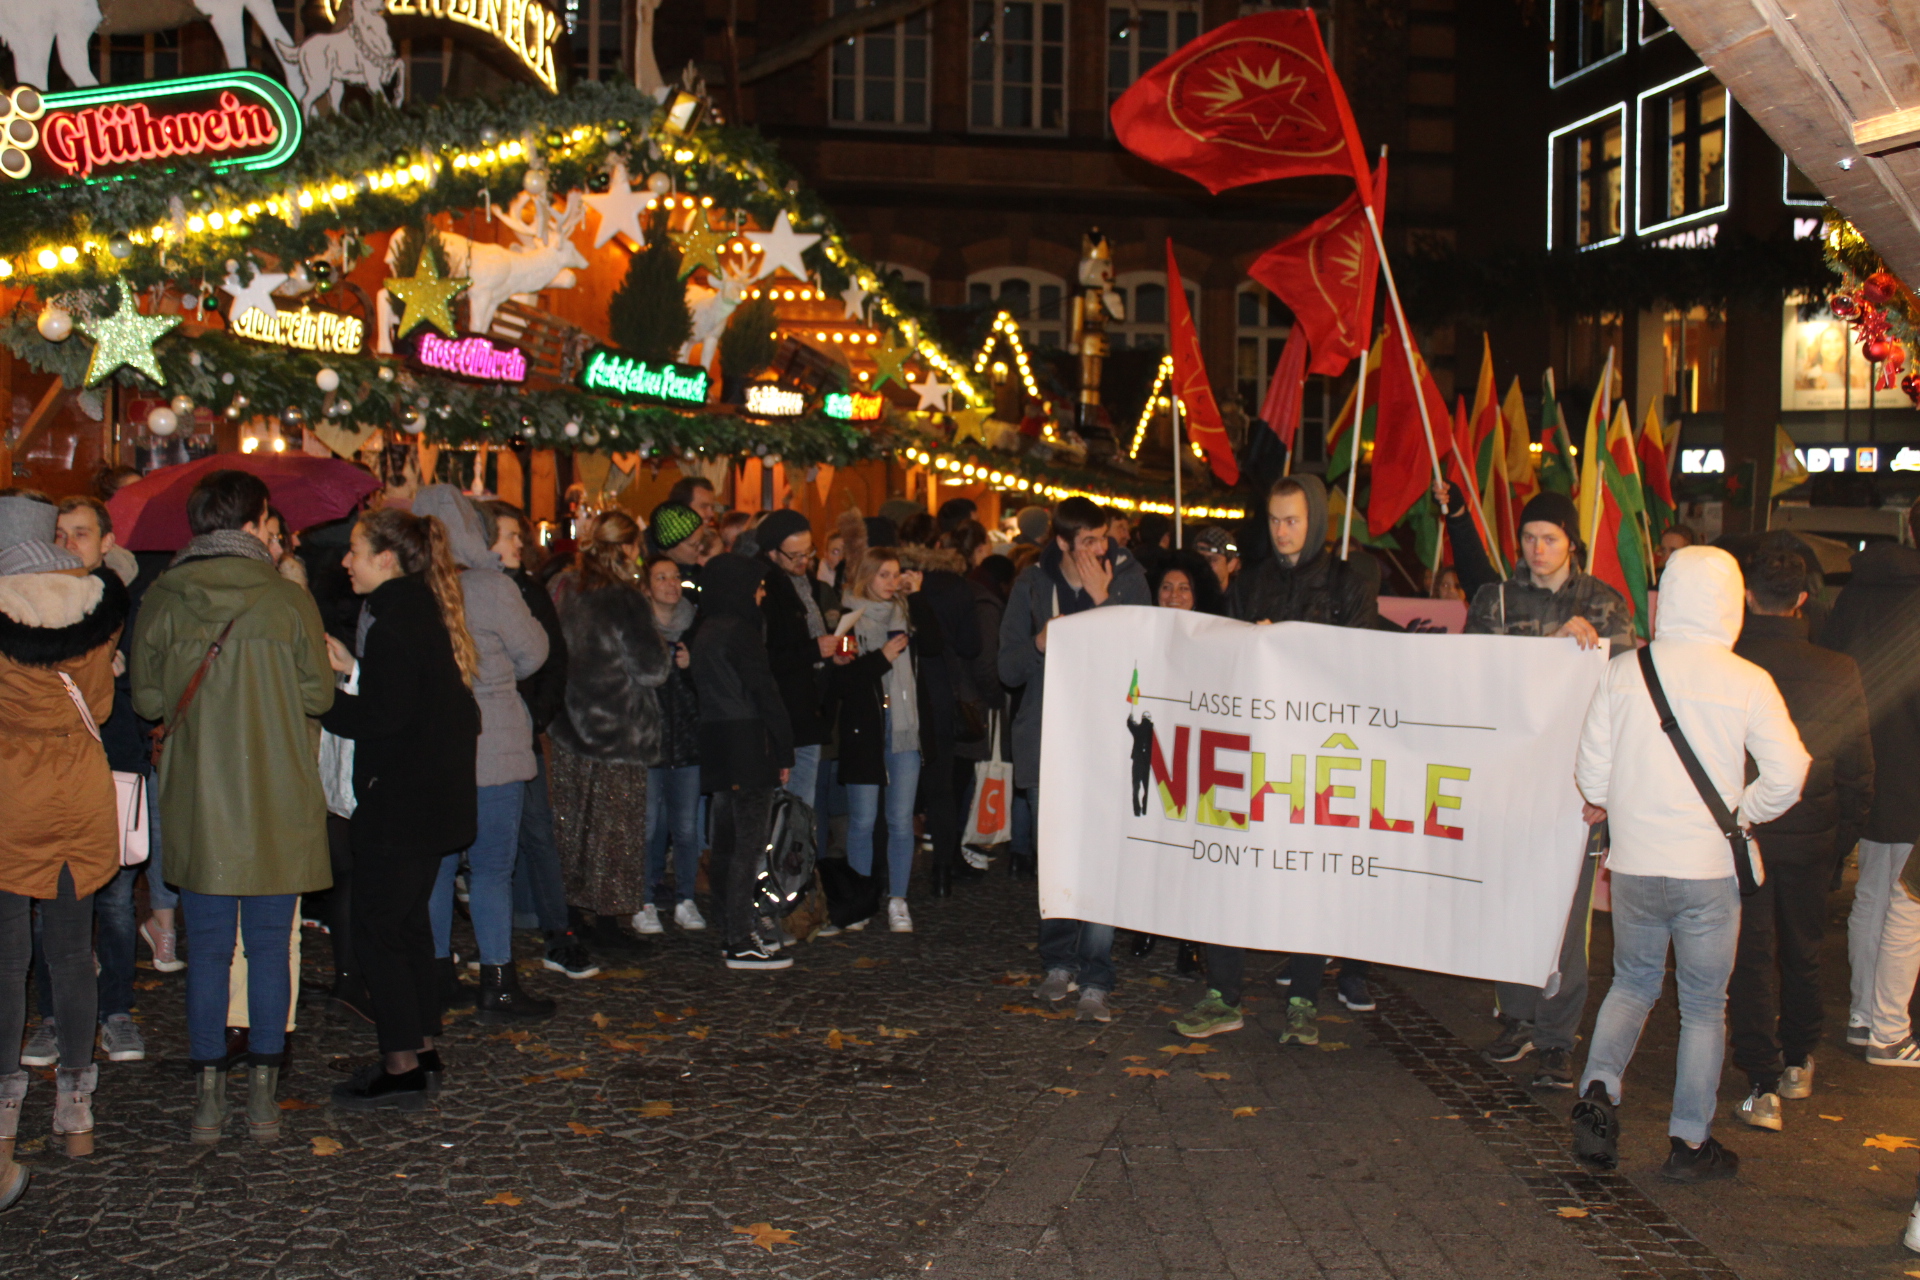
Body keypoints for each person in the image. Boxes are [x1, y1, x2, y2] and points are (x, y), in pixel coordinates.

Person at [1570, 545, 1808, 1182]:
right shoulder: (1748, 680)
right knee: (1704, 1005)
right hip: (1707, 869)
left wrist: (1623, 804)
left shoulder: (1626, 670)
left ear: (1665, 598)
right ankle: (1690, 1143)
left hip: (1636, 864)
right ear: (1731, 603)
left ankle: (1598, 1090)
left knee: (1631, 984)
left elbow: (1591, 775)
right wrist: (1743, 814)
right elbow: (1790, 772)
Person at [132, 470, 334, 1140]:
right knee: (270, 948)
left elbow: (148, 701)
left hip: (200, 800)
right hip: (278, 798)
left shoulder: (164, 596)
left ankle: (209, 1100)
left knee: (210, 950)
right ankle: (264, 1100)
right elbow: (320, 696)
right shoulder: (286, 600)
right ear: (253, 523)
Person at [1178, 476, 1378, 1043]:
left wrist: (1291, 648)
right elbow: (1224, 659)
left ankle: (1304, 999)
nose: (1282, 531)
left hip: (1316, 754)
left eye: (1292, 520)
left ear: (1314, 521)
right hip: (1256, 748)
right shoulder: (1252, 583)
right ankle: (1222, 993)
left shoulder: (1347, 584)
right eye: (1273, 520)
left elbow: (1365, 666)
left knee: (1310, 875)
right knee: (1229, 866)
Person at [1447, 485, 1631, 1087]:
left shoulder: (1604, 604)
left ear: (1570, 542)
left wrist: (1609, 790)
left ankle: (1557, 1035)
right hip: (1510, 780)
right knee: (1510, 902)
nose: (1537, 548)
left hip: (1574, 787)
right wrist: (1545, 652)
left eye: (1549, 538)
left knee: (1568, 918)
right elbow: (1475, 678)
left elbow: (1622, 695)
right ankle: (1518, 1016)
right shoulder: (1496, 599)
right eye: (1528, 537)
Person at [318, 508, 480, 1111]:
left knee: (380, 932)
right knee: (408, 927)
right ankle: (422, 1047)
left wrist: (318, 698)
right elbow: (413, 701)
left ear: (385, 558)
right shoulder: (420, 612)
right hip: (431, 803)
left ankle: (401, 1064)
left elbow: (382, 716)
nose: (346, 562)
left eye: (355, 551)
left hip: (402, 806)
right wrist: (353, 671)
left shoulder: (395, 622)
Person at [0, 490, 129, 1160]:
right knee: (74, 952)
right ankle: (76, 1103)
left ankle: (3, 1105)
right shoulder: (93, 610)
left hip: (10, 794)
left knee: (6, 958)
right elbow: (99, 707)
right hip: (78, 790)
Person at [1726, 544, 1873, 1129]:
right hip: (1813, 833)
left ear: (1747, 596)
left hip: (1745, 832)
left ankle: (1760, 1081)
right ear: (1804, 599)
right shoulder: (1838, 669)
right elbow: (1857, 768)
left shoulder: (1731, 665)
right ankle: (1797, 1059)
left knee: (1751, 954)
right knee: (1803, 949)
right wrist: (1842, 837)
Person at [1002, 496, 1151, 1022]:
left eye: (1102, 537)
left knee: (1102, 861)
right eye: (1087, 541)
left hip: (1109, 743)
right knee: (1058, 860)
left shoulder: (1128, 580)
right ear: (1063, 543)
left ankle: (1096, 976)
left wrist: (1103, 600)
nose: (1099, 549)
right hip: (1049, 742)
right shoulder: (1031, 585)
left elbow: (1142, 656)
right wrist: (1041, 642)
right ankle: (1058, 963)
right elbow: (1008, 668)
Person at [413, 486, 552, 1022]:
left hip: (433, 750)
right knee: (493, 868)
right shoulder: (493, 587)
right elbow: (533, 652)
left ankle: (437, 975)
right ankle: (498, 981)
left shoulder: (409, 590)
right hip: (493, 743)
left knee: (439, 867)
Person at [37, 496, 151, 1063]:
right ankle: (52, 1016)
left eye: (80, 533)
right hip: (49, 768)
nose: (68, 544)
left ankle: (116, 1012)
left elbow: (150, 689)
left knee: (115, 901)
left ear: (107, 542)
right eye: (59, 533)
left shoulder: (128, 604)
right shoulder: (32, 600)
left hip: (115, 761)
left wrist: (118, 673)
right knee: (48, 896)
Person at [1823, 499, 1920, 1059]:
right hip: (1915, 775)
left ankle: (1864, 1017)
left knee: (1873, 893)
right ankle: (1890, 1030)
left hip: (1862, 766)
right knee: (1910, 903)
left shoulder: (1855, 594)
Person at [481, 502, 595, 981]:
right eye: (509, 535)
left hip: (520, 729)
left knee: (538, 831)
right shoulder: (460, 589)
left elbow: (552, 658)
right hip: (474, 732)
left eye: (519, 536)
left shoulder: (528, 590)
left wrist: (535, 716)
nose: (518, 545)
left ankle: (557, 931)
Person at [546, 511, 670, 941]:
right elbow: (652, 668)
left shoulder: (566, 588)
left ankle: (571, 913)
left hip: (571, 724)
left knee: (574, 825)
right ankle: (608, 921)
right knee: (615, 832)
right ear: (629, 548)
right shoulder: (625, 599)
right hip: (618, 730)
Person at [689, 553, 795, 969]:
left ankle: (728, 924)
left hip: (717, 739)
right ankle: (740, 936)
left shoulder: (706, 629)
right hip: (748, 741)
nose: (761, 593)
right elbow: (764, 691)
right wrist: (783, 747)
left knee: (726, 841)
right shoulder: (741, 631)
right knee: (747, 844)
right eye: (757, 587)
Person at [832, 546, 923, 931]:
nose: (891, 582)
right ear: (866, 576)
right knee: (863, 820)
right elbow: (843, 681)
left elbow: (935, 645)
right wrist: (881, 657)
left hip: (903, 729)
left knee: (900, 820)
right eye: (883, 574)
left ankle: (898, 900)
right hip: (864, 729)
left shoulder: (907, 614)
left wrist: (917, 597)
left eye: (895, 574)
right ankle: (861, 899)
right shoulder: (847, 620)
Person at [633, 554, 704, 935]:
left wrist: (693, 667)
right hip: (649, 743)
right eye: (661, 578)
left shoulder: (695, 626)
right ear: (647, 587)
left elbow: (709, 686)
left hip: (688, 742)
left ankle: (685, 898)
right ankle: (643, 899)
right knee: (647, 826)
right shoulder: (638, 630)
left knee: (687, 827)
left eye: (675, 577)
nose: (671, 584)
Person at [754, 509, 833, 810]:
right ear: (772, 552)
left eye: (808, 552)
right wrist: (814, 650)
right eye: (794, 555)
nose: (804, 561)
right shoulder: (763, 589)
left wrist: (828, 656)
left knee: (802, 808)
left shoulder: (805, 583)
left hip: (806, 708)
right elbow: (764, 657)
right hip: (781, 713)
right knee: (782, 808)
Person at [648, 500, 707, 601]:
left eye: (701, 542)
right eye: (693, 545)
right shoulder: (651, 583)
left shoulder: (698, 572)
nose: (701, 548)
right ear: (670, 548)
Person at [1149, 549, 1228, 617]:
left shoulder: (1213, 628)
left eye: (1183, 588)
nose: (1174, 594)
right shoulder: (1146, 626)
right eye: (1167, 587)